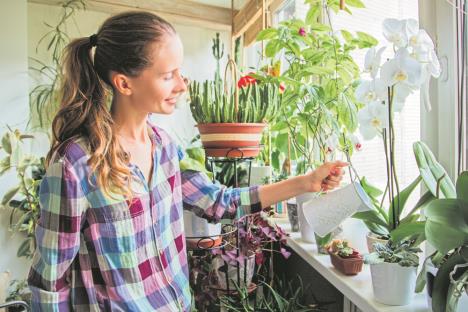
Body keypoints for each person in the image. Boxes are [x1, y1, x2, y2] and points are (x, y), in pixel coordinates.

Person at [27, 11, 347, 312]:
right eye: (168, 76)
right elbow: (49, 283)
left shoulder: (165, 147)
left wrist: (306, 183)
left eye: (180, 72)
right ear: (124, 83)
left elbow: (219, 202)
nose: (182, 85)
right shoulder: (76, 165)